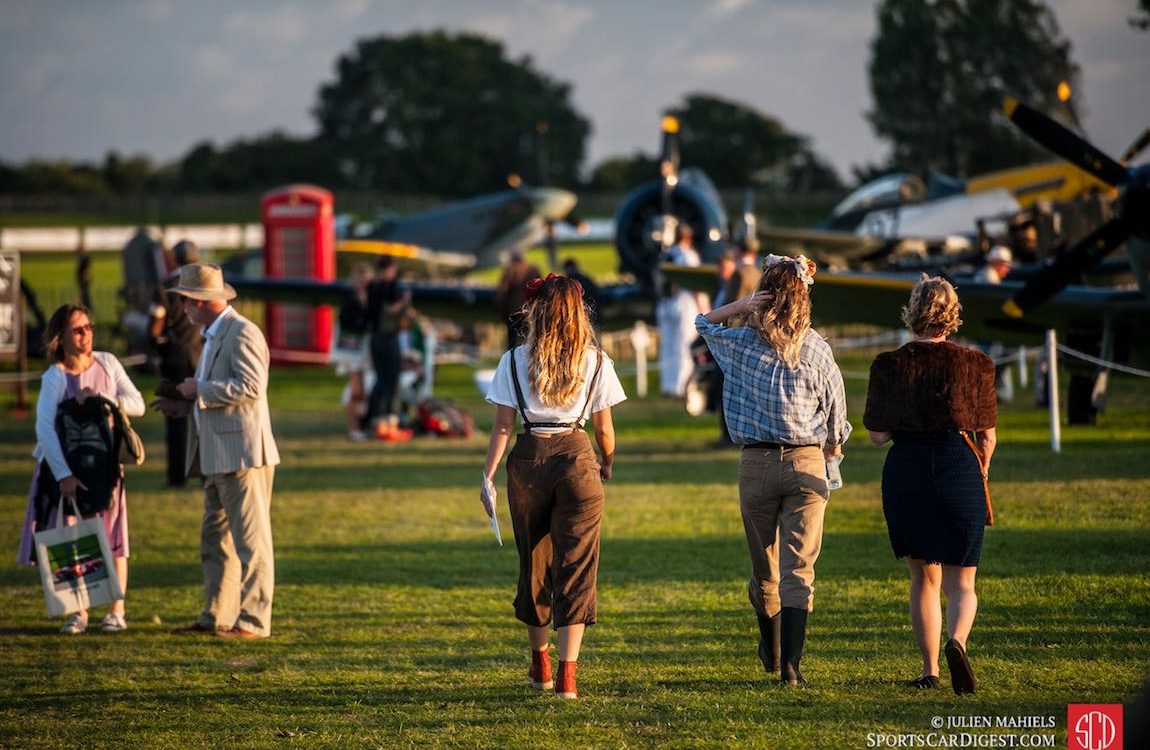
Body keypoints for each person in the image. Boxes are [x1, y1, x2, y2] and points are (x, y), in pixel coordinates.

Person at [696, 254, 851, 687]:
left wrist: (741, 305)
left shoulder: (741, 344)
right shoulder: (818, 348)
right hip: (807, 463)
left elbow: (703, 324)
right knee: (800, 569)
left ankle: (772, 648)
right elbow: (838, 419)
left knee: (765, 570)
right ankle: (791, 666)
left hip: (756, 463)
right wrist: (834, 446)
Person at [481, 273, 626, 700]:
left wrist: (487, 474)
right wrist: (608, 463)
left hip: (527, 460)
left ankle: (540, 662)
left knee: (535, 565)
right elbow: (605, 429)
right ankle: (568, 675)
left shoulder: (513, 360)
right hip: (578, 460)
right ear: (578, 313)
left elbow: (503, 426)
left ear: (536, 311)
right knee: (577, 568)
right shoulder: (596, 360)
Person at [862, 275, 997, 695]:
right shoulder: (976, 364)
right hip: (960, 468)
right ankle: (957, 641)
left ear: (913, 311)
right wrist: (983, 469)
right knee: (963, 582)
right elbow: (987, 435)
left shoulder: (889, 364)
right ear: (952, 314)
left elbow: (877, 435)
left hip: (908, 471)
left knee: (924, 578)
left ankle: (930, 669)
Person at [154, 263, 280, 639]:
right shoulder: (214, 334)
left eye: (185, 301)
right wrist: (185, 405)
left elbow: (251, 387)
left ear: (199, 302)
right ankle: (216, 615)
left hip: (242, 454)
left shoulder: (242, 333)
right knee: (215, 542)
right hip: (217, 454)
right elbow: (224, 390)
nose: (183, 308)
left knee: (251, 544)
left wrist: (200, 392)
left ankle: (254, 622)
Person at [18, 304, 145, 634]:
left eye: (88, 326)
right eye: (77, 329)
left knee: (114, 534)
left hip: (104, 466)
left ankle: (117, 610)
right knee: (71, 537)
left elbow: (138, 403)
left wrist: (101, 397)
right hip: (67, 469)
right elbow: (44, 430)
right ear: (61, 338)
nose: (86, 333)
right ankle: (78, 612)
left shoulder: (107, 363)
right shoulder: (55, 376)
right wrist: (63, 476)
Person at [148, 239, 204, 486]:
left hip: (174, 359)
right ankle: (206, 472)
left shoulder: (165, 287)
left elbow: (153, 328)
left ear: (175, 259)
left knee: (174, 418)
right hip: (201, 357)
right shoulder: (203, 285)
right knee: (204, 418)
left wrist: (159, 347)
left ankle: (176, 476)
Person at [365, 256, 413, 441]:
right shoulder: (392, 287)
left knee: (380, 379)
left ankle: (374, 418)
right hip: (388, 338)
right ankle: (388, 420)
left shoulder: (372, 286)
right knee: (391, 380)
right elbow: (392, 309)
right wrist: (405, 300)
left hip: (374, 338)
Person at [657, 225, 705, 397]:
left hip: (664, 303)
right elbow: (694, 282)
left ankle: (668, 386)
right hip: (684, 301)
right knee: (685, 346)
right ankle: (681, 386)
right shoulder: (688, 255)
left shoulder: (665, 254)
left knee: (667, 346)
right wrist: (703, 307)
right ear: (688, 238)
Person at [331, 263, 373, 441]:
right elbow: (350, 321)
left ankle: (359, 425)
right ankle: (353, 428)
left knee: (361, 390)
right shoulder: (349, 297)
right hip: (350, 349)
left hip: (362, 348)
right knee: (356, 390)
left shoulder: (370, 297)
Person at [495, 250, 542, 348]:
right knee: (530, 339)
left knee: (511, 340)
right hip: (530, 310)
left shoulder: (510, 269)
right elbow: (541, 287)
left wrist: (501, 309)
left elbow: (502, 291)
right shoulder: (533, 269)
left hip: (513, 311)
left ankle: (511, 361)